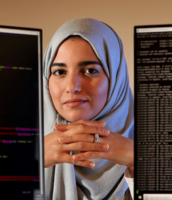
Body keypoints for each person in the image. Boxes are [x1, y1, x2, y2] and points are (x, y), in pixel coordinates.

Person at [43, 18, 134, 200]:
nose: (72, 87)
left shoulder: (158, 143)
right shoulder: (21, 144)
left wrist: (143, 163)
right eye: (60, 72)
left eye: (90, 71)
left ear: (116, 76)